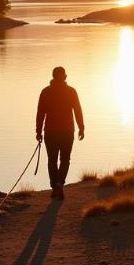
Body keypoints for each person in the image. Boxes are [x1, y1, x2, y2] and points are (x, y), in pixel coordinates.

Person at [35, 66, 84, 200]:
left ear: (53, 77)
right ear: (65, 77)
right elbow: (78, 110)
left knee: (52, 160)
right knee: (65, 159)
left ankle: (55, 186)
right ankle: (59, 184)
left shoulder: (45, 92)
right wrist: (81, 127)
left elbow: (40, 113)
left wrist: (38, 131)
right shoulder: (71, 91)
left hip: (50, 132)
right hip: (67, 131)